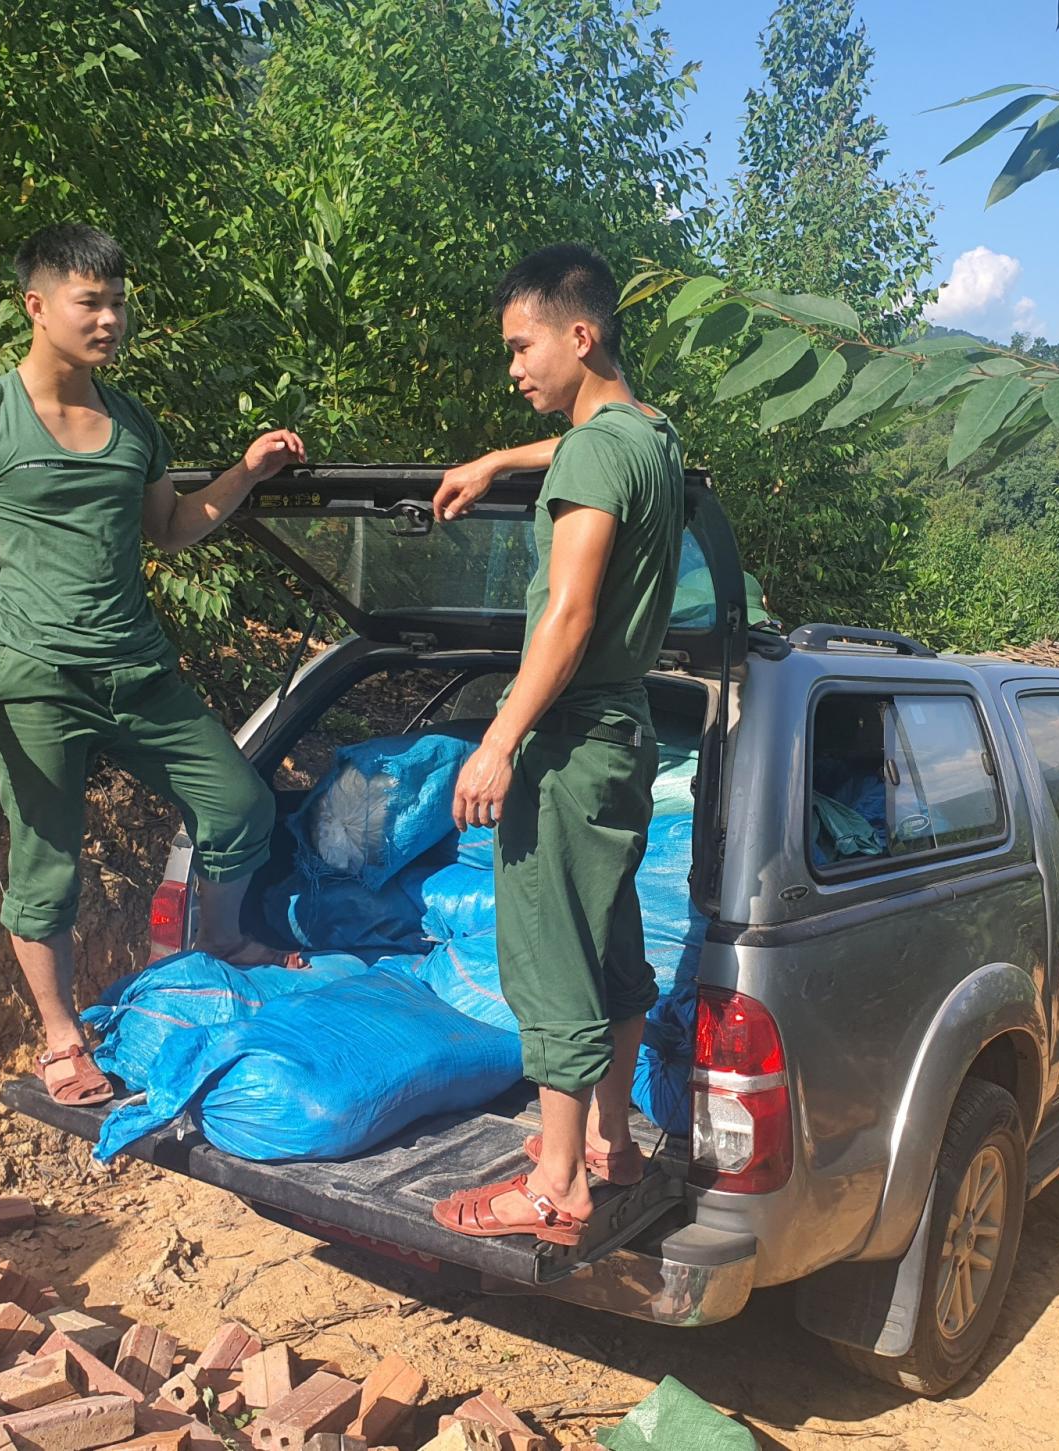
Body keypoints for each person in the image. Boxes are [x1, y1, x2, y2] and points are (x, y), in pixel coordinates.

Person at [0, 223, 307, 1108]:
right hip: (36, 678)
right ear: (37, 306)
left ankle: (223, 946)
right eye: (92, 301)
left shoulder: (133, 421)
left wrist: (242, 472)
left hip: (138, 671)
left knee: (239, 802)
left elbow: (170, 529)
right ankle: (60, 1038)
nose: (111, 318)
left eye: (118, 301)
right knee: (48, 865)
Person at [429, 244, 684, 1246]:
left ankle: (556, 1182)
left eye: (521, 345)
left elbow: (568, 615)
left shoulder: (594, 454)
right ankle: (614, 1137)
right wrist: (499, 457)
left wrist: (498, 737)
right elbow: (592, 441)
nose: (513, 367)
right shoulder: (649, 437)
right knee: (610, 938)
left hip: (569, 736)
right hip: (624, 732)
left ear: (579, 336)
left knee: (548, 953)